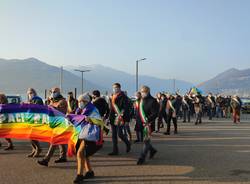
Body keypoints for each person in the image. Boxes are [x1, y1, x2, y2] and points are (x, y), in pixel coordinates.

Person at [73, 93, 105, 183]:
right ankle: (89, 171)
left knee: (80, 153)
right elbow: (77, 119)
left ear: (86, 101)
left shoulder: (93, 110)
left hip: (89, 134)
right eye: (79, 101)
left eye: (81, 101)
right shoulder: (80, 110)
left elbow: (100, 122)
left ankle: (79, 175)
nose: (80, 103)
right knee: (84, 154)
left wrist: (90, 119)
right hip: (82, 133)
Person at [38, 87, 68, 167]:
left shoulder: (62, 101)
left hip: (60, 123)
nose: (52, 92)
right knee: (60, 141)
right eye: (51, 91)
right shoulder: (52, 101)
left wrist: (51, 107)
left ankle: (46, 159)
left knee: (54, 141)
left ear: (58, 92)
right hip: (53, 123)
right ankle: (63, 157)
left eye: (54, 91)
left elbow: (61, 112)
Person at [137, 86, 159, 165]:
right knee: (145, 140)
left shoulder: (153, 101)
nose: (143, 93)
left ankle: (142, 158)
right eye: (142, 91)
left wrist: (147, 120)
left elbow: (155, 113)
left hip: (148, 124)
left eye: (144, 91)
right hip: (140, 123)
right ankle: (152, 150)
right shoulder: (140, 100)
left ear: (148, 92)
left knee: (146, 141)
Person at [108, 83, 131, 156]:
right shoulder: (112, 96)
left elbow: (126, 109)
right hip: (112, 118)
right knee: (114, 135)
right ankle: (115, 151)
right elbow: (111, 109)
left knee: (120, 134)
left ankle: (127, 143)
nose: (115, 89)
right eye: (114, 88)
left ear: (120, 88)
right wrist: (108, 118)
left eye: (116, 87)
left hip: (120, 118)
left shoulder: (123, 97)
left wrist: (127, 120)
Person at [26, 88, 44, 157]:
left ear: (34, 93)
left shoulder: (38, 99)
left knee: (32, 136)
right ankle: (34, 149)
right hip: (30, 120)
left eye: (31, 93)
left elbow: (38, 108)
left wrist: (30, 105)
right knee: (30, 136)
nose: (30, 94)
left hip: (36, 120)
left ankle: (38, 149)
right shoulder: (30, 100)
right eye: (28, 93)